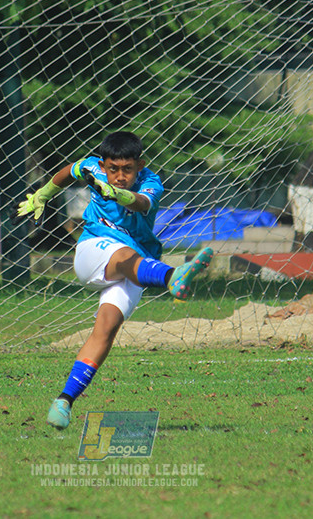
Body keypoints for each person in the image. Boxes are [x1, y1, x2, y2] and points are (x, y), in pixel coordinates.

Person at [15, 130, 213, 430]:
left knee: (105, 329)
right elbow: (71, 170)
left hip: (135, 267)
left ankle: (63, 402)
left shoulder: (151, 182)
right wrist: (42, 195)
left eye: (128, 170)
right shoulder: (92, 167)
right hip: (93, 252)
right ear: (103, 164)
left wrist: (117, 194)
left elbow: (141, 204)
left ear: (140, 165)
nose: (120, 176)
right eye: (113, 170)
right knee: (122, 254)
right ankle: (173, 275)